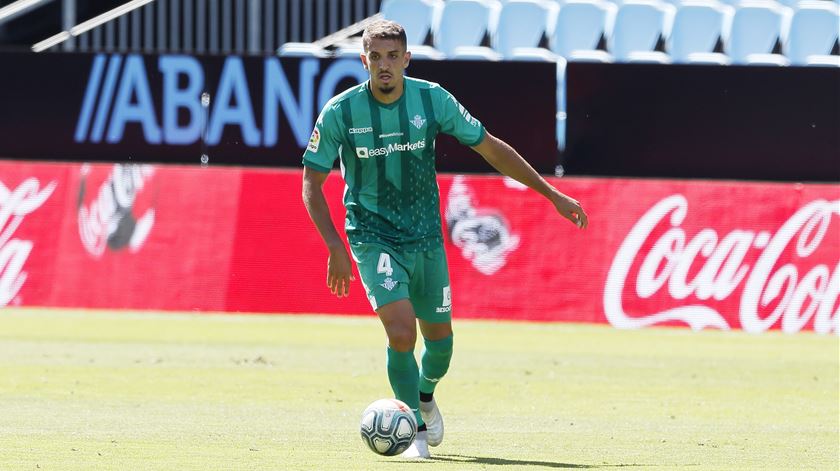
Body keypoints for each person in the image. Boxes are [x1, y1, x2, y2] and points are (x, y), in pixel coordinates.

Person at [301, 20, 588, 459]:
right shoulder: (341, 112)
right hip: (373, 236)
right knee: (401, 331)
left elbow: (490, 147)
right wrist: (335, 247)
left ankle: (426, 395)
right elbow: (311, 183)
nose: (384, 65)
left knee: (441, 345)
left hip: (426, 238)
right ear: (363, 60)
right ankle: (415, 432)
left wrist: (550, 194)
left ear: (407, 59)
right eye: (375, 57)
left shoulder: (432, 99)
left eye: (392, 56)